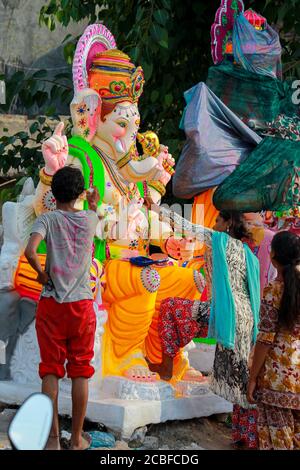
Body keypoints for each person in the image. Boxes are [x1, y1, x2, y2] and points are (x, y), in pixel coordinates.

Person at [149, 209, 260, 449]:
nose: (215, 223)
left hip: (224, 314)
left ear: (228, 222)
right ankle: (245, 436)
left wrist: (155, 209)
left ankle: (166, 367)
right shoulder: (248, 254)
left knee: (170, 307)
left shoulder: (218, 239)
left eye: (218, 220)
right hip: (244, 317)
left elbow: (185, 226)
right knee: (243, 375)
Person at [25, 166, 100, 450]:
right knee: (81, 371)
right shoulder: (90, 220)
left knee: (50, 372)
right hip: (81, 306)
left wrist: (42, 274)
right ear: (79, 194)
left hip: (52, 305)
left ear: (52, 194)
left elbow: (30, 251)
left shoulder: (47, 219)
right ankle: (77, 438)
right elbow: (93, 208)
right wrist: (92, 201)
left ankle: (53, 439)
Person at [247, 231, 300, 450]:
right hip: (297, 375)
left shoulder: (273, 291)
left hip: (275, 376)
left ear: (273, 255)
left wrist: (252, 378)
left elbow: (265, 340)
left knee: (276, 439)